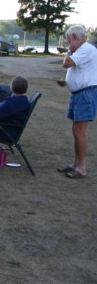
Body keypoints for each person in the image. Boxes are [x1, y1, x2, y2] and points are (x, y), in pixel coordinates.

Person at [57, 25, 97, 179]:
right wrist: (67, 82)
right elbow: (80, 71)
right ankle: (75, 164)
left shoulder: (86, 49)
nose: (68, 44)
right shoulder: (82, 50)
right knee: (76, 130)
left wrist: (69, 50)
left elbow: (66, 63)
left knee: (79, 130)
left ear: (76, 38)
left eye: (69, 40)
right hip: (79, 94)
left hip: (86, 95)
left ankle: (81, 168)